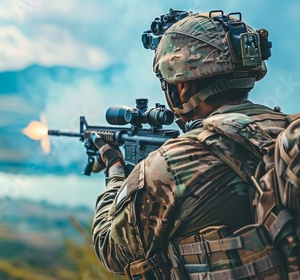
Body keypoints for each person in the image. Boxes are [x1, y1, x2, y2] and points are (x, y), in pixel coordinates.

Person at [91, 10, 300, 279]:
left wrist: (116, 172)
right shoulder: (286, 129)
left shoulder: (172, 164)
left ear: (181, 88)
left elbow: (110, 249)